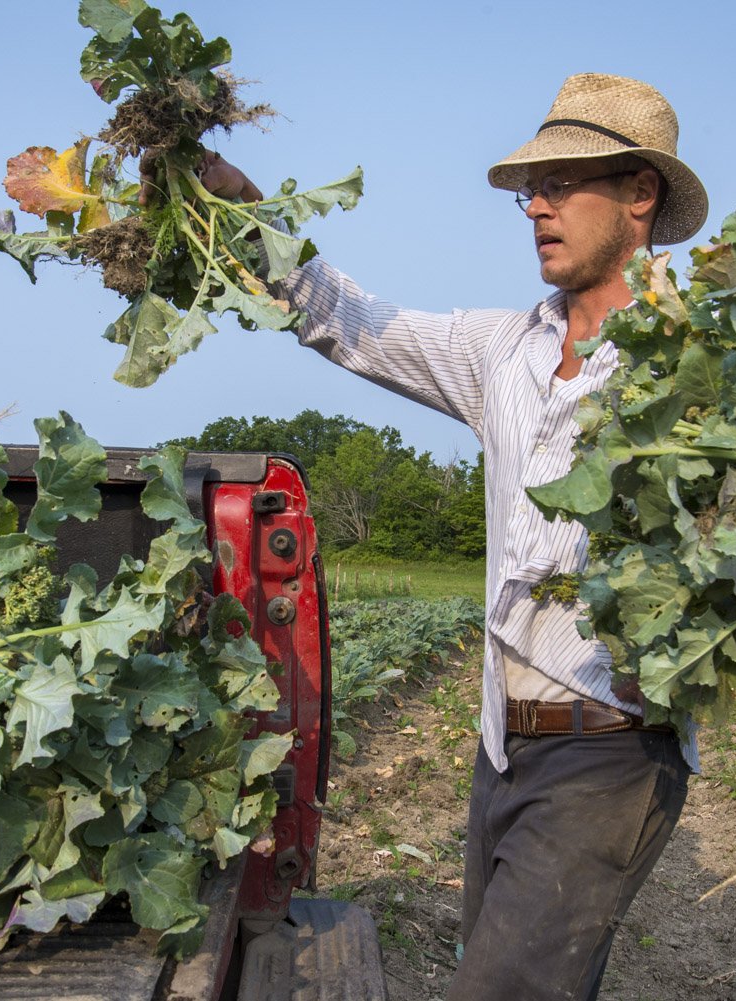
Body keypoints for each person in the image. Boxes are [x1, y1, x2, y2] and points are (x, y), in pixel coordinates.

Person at [205, 73, 708, 1001]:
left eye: (564, 183)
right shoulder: (502, 352)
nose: (538, 208)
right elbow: (347, 321)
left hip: (608, 749)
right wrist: (244, 209)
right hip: (504, 744)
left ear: (641, 194)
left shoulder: (702, 375)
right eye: (534, 189)